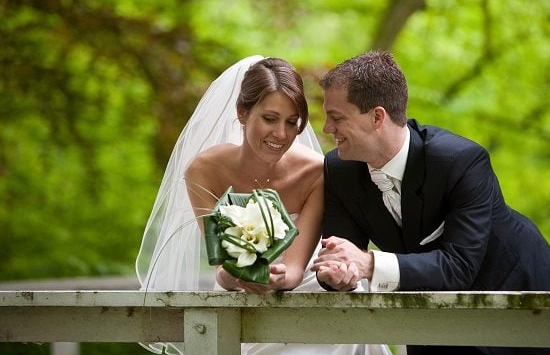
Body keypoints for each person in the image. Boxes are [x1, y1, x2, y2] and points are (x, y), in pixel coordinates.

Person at [310, 51, 550, 355]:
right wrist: (337, 274)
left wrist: (369, 263)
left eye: (337, 118)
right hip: (429, 318)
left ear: (377, 117)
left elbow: (460, 265)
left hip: (517, 306)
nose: (327, 129)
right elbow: (339, 255)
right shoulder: (339, 170)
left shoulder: (460, 160)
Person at [136, 55, 393, 355]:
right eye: (269, 119)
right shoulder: (203, 171)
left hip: (314, 297)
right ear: (243, 113)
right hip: (243, 301)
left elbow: (295, 269)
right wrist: (237, 274)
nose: (281, 134)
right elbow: (222, 267)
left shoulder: (316, 172)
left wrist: (276, 277)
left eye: (292, 123)